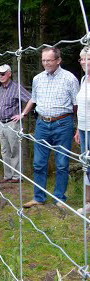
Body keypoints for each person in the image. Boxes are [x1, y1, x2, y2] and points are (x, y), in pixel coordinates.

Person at [15, 47, 80, 208]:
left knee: (62, 163)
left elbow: (77, 105)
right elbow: (33, 99)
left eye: (49, 60)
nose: (46, 63)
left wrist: (78, 126)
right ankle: (39, 197)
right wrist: (23, 114)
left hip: (63, 124)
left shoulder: (70, 79)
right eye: (43, 60)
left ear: (58, 60)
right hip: (42, 124)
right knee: (39, 163)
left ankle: (59, 198)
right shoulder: (38, 79)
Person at [0, 64, 31, 183]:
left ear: (9, 74)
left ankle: (16, 176)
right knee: (5, 151)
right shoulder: (1, 88)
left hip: (12, 123)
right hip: (1, 123)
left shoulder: (16, 87)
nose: (0, 76)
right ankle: (8, 175)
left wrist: (22, 114)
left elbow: (30, 99)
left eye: (3, 74)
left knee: (14, 150)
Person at [74, 46, 90, 214]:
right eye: (82, 59)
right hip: (84, 129)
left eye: (88, 58)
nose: (84, 62)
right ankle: (88, 202)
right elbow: (81, 108)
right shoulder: (84, 79)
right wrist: (79, 128)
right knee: (87, 166)